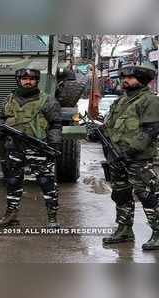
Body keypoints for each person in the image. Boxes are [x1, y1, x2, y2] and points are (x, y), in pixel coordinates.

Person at [0, 68, 62, 228]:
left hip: (38, 148)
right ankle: (11, 216)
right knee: (12, 182)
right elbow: (1, 119)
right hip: (14, 148)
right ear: (18, 80)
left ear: (37, 81)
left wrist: (54, 145)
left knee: (47, 182)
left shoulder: (48, 101)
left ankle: (52, 218)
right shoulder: (9, 100)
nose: (28, 81)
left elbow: (55, 125)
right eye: (24, 78)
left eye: (32, 79)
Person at [101, 65, 159, 251]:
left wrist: (131, 152)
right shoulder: (120, 101)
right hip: (118, 158)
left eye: (130, 77)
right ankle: (124, 229)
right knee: (120, 194)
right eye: (123, 77)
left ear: (142, 80)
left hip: (140, 159)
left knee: (147, 195)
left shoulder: (149, 101)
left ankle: (157, 233)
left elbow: (151, 130)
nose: (124, 80)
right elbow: (111, 126)